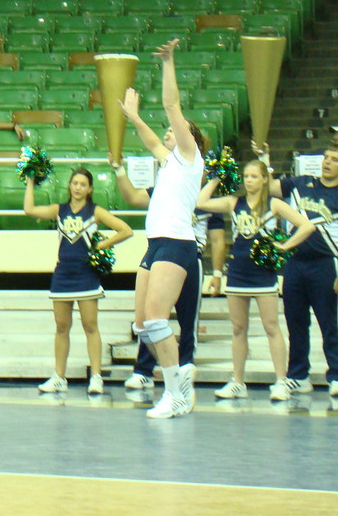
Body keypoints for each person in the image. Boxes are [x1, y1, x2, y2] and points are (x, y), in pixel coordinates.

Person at [117, 39, 204, 419]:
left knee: (156, 318)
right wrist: (133, 117)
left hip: (177, 244)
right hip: (155, 244)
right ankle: (179, 375)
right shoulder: (170, 163)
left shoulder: (189, 157)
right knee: (142, 324)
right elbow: (152, 139)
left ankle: (175, 391)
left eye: (175, 132)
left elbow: (171, 107)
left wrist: (168, 62)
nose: (167, 135)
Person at [197, 160, 315, 401]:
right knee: (238, 329)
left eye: (253, 176)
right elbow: (200, 203)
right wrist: (216, 178)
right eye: (245, 176)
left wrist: (284, 246)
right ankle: (238, 381)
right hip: (238, 271)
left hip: (263, 272)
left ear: (264, 179)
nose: (248, 180)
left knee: (271, 326)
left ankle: (281, 381)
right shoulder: (234, 202)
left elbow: (307, 226)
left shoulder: (275, 204)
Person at [259, 142, 338, 397]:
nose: (327, 162)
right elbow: (269, 186)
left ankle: (337, 375)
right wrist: (264, 158)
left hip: (324, 265)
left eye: (335, 159)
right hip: (294, 263)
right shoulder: (300, 183)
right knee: (296, 322)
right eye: (326, 157)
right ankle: (298, 375)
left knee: (329, 324)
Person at [112, 163, 227, 397]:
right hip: (161, 255)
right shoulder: (164, 189)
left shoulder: (209, 200)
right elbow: (132, 197)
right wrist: (119, 169)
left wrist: (216, 273)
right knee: (150, 316)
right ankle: (144, 369)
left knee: (187, 321)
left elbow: (217, 240)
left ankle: (184, 369)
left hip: (190, 257)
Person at [25, 168, 132, 395]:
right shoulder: (59, 210)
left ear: (90, 189)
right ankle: (59, 377)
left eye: (83, 184)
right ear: (69, 186)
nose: (78, 187)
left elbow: (126, 230)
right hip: (63, 273)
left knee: (90, 326)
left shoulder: (95, 211)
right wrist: (30, 182)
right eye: (75, 183)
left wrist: (104, 244)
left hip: (86, 274)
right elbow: (29, 209)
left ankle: (96, 377)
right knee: (61, 327)